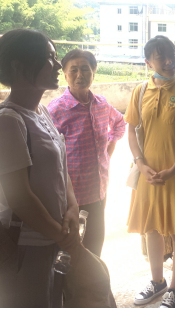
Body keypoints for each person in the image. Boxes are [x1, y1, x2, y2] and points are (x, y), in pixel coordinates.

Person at [0, 29, 81, 308]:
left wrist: (72, 208)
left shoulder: (40, 111)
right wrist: (64, 237)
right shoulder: (7, 122)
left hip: (50, 243)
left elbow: (60, 168)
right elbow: (19, 198)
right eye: (49, 57)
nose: (57, 64)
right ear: (19, 66)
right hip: (23, 249)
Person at [125, 35, 175, 309]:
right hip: (148, 174)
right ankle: (157, 281)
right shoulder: (139, 92)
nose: (169, 61)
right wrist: (140, 164)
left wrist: (174, 168)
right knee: (151, 228)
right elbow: (131, 131)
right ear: (148, 62)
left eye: (172, 55)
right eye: (161, 57)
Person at [48, 49, 126, 257]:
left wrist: (109, 150)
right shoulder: (56, 110)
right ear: (65, 74)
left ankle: (92, 278)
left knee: (94, 245)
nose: (80, 75)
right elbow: (47, 156)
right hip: (70, 197)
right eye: (73, 70)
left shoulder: (101, 104)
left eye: (85, 69)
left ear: (94, 71)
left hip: (98, 192)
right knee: (70, 251)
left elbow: (119, 124)